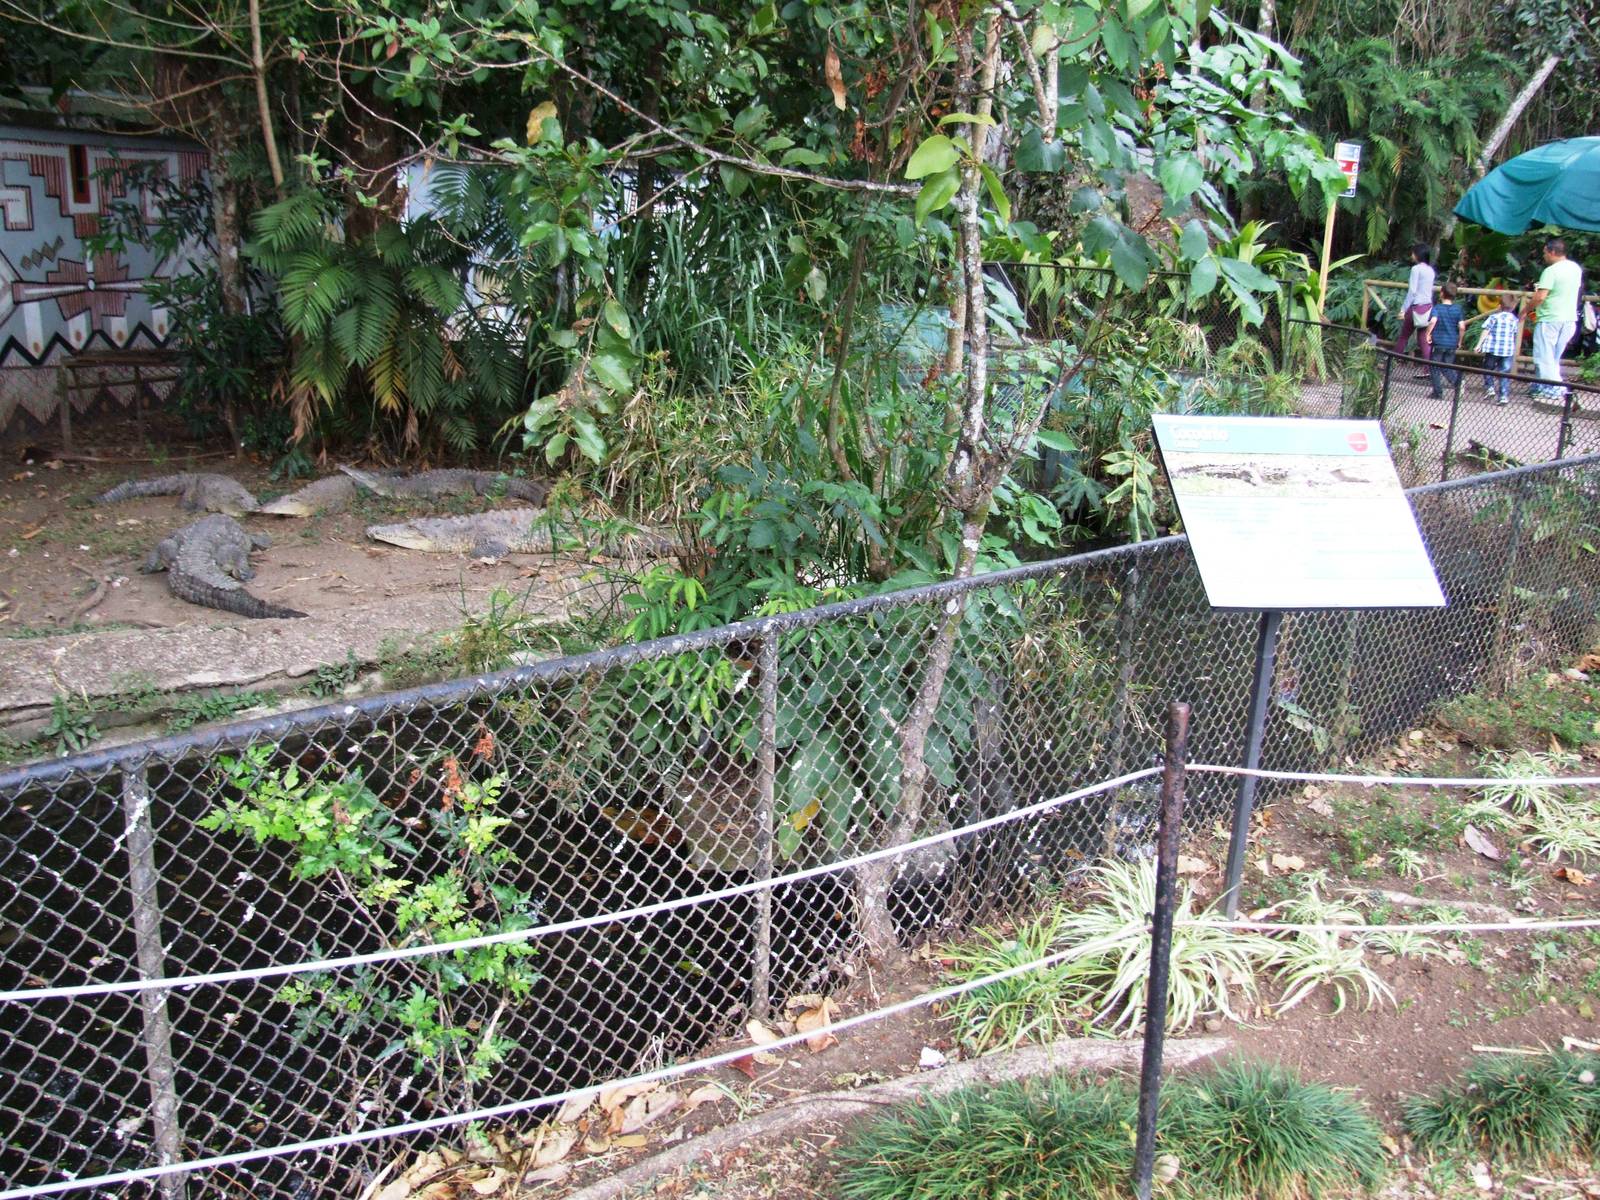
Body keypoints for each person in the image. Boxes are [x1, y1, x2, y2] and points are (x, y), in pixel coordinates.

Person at [1528, 237, 1582, 400]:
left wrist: (1525, 310)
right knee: (1553, 358)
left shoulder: (1550, 271)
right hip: (1569, 319)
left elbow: (1540, 297)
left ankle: (1560, 391)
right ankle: (1544, 387)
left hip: (1550, 318)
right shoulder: (1575, 268)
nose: (1544, 256)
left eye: (1545, 253)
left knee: (1544, 357)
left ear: (1552, 252)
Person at [1476, 292, 1521, 405]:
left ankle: (1490, 387)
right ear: (1513, 306)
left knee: (1488, 368)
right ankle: (1503, 396)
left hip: (1493, 348)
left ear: (1499, 305)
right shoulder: (1514, 320)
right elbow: (1515, 334)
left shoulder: (1494, 317)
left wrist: (1479, 344)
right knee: (1504, 373)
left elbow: (1486, 330)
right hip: (1507, 350)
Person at [1395, 243, 1436, 361]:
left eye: (1413, 253)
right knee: (1423, 339)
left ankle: (1391, 362)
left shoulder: (1416, 269)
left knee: (1404, 336)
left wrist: (1403, 309)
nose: (1411, 255)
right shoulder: (1430, 270)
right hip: (1427, 307)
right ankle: (1429, 368)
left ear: (1418, 255)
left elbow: (1412, 291)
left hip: (1415, 307)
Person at [1426, 281, 1466, 399]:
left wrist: (1428, 333)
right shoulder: (1457, 309)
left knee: (1434, 366)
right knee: (1447, 366)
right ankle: (1457, 383)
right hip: (1452, 343)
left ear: (1442, 293)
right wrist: (1460, 340)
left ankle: (1437, 392)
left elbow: (1433, 321)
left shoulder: (1437, 308)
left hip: (1438, 342)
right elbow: (1462, 326)